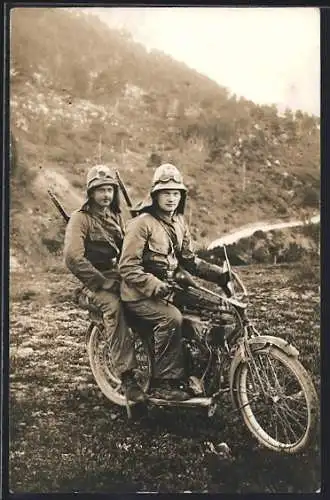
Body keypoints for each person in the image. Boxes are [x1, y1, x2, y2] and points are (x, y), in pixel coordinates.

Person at [119, 163, 230, 401]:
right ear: (155, 195)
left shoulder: (179, 222)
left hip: (169, 289)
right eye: (165, 193)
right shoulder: (141, 224)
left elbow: (189, 260)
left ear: (181, 196)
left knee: (216, 307)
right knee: (172, 318)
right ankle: (164, 382)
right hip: (139, 294)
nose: (171, 198)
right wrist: (154, 285)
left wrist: (217, 274)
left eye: (175, 193)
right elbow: (127, 267)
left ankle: (204, 370)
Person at [63, 164, 146, 405]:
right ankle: (128, 377)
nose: (106, 195)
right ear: (90, 193)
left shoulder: (116, 215)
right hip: (94, 285)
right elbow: (73, 257)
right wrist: (102, 282)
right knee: (115, 307)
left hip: (120, 277)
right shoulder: (80, 219)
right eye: (100, 190)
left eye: (110, 189)